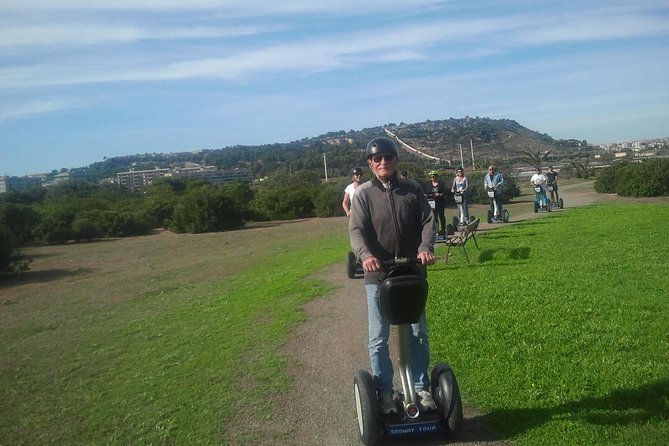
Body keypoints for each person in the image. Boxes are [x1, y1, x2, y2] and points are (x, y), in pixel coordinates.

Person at [349, 136, 437, 415]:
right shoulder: (363, 194)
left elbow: (427, 220)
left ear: (396, 159)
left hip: (411, 272)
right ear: (370, 163)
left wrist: (425, 247)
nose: (383, 162)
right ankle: (385, 391)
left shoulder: (412, 189)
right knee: (378, 336)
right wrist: (366, 256)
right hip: (378, 275)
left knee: (418, 333)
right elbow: (357, 231)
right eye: (377, 159)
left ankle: (421, 388)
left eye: (388, 157)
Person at [425, 170, 447, 237]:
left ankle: (443, 230)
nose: (432, 178)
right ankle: (436, 230)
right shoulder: (429, 185)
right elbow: (428, 193)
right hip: (433, 204)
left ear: (436, 177)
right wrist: (432, 195)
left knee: (441, 216)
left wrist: (440, 194)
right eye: (431, 177)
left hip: (440, 203)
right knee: (434, 218)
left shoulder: (441, 183)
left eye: (434, 177)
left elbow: (444, 192)